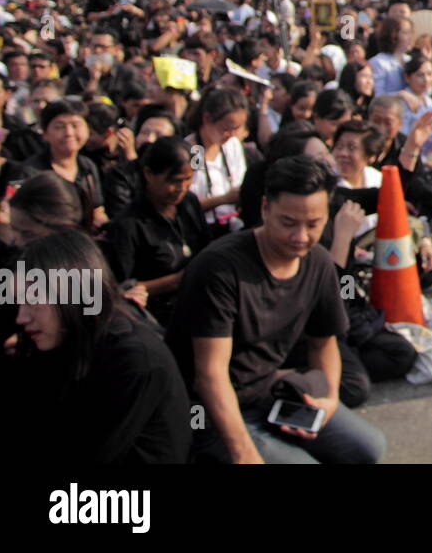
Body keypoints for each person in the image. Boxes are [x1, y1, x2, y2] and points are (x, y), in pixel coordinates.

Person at [166, 155, 386, 464]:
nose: (300, 237)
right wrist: (244, 453)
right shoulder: (218, 269)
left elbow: (324, 343)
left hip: (267, 393)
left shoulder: (319, 262)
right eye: (288, 223)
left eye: (313, 224)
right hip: (204, 409)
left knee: (367, 448)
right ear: (265, 208)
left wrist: (330, 400)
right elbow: (209, 376)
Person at [1, 229, 193, 463]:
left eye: (33, 300)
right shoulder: (65, 337)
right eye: (19, 302)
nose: (21, 317)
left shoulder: (133, 359)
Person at [103, 137, 210, 323]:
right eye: (175, 181)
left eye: (188, 180)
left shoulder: (190, 203)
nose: (182, 188)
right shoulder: (128, 225)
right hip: (154, 317)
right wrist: (176, 280)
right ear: (149, 174)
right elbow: (119, 288)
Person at [15, 99, 107, 231]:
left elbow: (97, 210)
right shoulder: (29, 172)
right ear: (45, 134)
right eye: (59, 127)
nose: (69, 133)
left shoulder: (87, 166)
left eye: (75, 125)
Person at [185, 87, 248, 236]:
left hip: (232, 227)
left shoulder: (231, 145)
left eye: (236, 129)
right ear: (207, 119)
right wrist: (223, 199)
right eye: (226, 129)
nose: (231, 135)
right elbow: (189, 203)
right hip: (202, 229)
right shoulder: (195, 150)